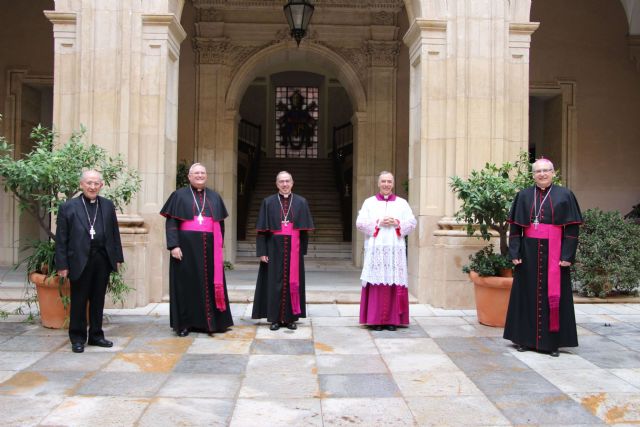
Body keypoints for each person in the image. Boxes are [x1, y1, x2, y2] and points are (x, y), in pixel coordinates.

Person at [503, 158, 583, 357]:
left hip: (555, 253)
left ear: (553, 173)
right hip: (528, 253)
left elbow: (572, 229)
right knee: (526, 295)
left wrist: (567, 255)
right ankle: (523, 339)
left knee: (553, 296)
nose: (542, 174)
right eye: (538, 171)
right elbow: (515, 228)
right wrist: (515, 252)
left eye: (546, 170)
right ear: (533, 175)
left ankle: (552, 343)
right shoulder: (523, 195)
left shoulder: (565, 195)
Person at [160, 163, 233, 337]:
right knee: (185, 285)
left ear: (206, 176)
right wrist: (174, 245)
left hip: (209, 249)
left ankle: (211, 322)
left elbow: (220, 224)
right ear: (189, 176)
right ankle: (185, 323)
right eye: (196, 173)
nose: (200, 176)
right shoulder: (178, 195)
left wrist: (219, 246)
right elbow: (171, 223)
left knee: (209, 283)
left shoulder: (214, 197)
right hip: (186, 249)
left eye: (202, 173)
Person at [55, 170, 124, 353]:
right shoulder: (68, 207)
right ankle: (77, 338)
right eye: (89, 183)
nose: (92, 187)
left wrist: (117, 258)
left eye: (96, 183)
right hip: (79, 259)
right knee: (79, 300)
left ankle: (96, 335)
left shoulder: (108, 205)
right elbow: (61, 239)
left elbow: (114, 233)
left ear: (101, 185)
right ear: (81, 185)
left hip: (102, 258)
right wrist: (62, 265)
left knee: (98, 299)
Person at [252, 171, 314, 330]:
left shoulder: (301, 202)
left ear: (292, 183)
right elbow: (261, 231)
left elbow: (304, 231)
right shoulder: (268, 202)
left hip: (294, 247)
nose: (285, 184)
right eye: (281, 181)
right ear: (277, 183)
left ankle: (291, 318)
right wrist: (262, 251)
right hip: (273, 247)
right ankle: (274, 318)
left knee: (294, 282)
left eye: (287, 181)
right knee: (273, 283)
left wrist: (302, 251)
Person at [356, 171, 416, 331]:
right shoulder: (369, 203)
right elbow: (360, 223)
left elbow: (412, 222)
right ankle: (375, 320)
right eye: (383, 181)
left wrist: (397, 222)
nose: (386, 184)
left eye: (389, 181)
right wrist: (378, 222)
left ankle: (392, 320)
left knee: (393, 281)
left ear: (393, 184)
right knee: (377, 282)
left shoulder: (402, 203)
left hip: (394, 249)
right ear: (378, 183)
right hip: (376, 249)